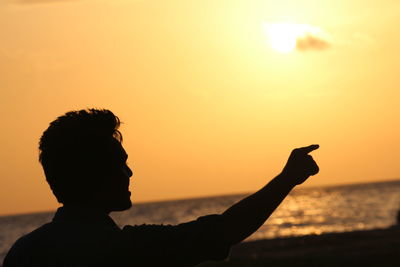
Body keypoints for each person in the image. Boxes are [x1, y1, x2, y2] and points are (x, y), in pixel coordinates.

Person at [3, 109, 319, 267]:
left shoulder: (24, 252)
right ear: (96, 174)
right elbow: (223, 231)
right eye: (119, 164)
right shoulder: (126, 250)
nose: (129, 172)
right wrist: (287, 179)